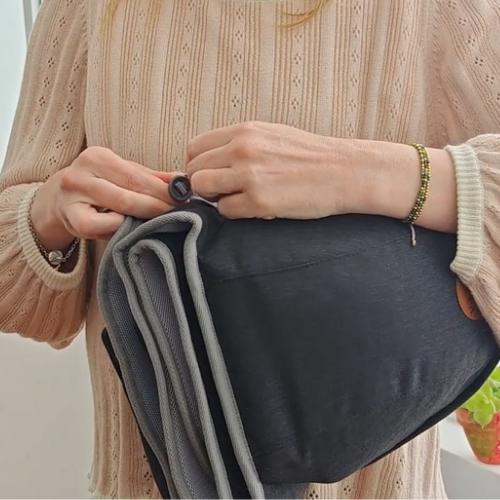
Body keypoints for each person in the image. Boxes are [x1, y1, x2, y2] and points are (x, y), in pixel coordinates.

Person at [1, 0, 500, 498]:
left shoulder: (440, 11)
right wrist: (48, 214)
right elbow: (14, 298)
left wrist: (364, 173)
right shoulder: (88, 9)